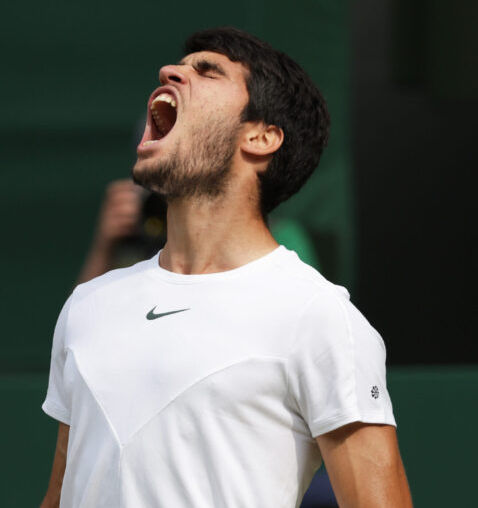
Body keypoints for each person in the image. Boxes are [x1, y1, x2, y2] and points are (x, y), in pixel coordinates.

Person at [40, 27, 413, 508]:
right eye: (181, 65)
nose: (169, 72)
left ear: (261, 136)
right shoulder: (87, 305)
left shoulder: (319, 318)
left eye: (208, 71)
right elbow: (60, 495)